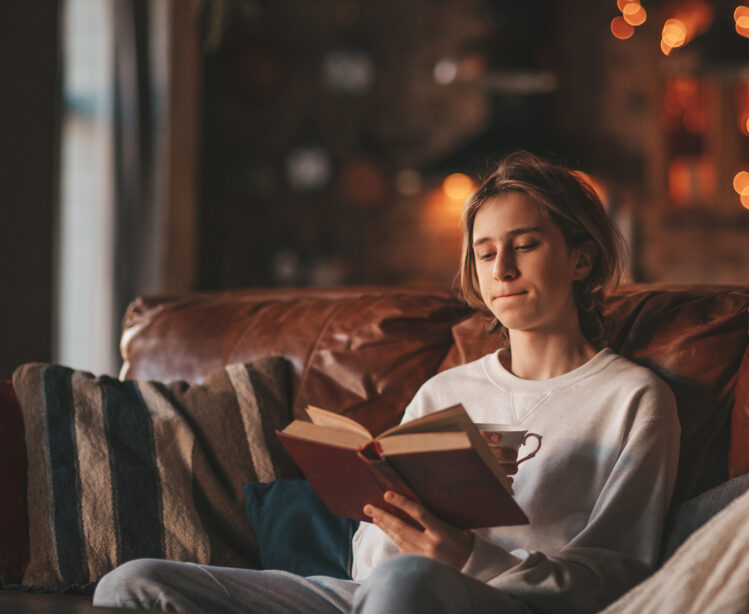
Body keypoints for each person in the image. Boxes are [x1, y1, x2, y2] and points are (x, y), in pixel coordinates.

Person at [93, 152, 681, 614]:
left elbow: (617, 580)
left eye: (524, 246)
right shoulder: (447, 392)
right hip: (374, 594)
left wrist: (467, 556)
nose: (502, 270)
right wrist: (395, 530)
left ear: (580, 260)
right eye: (485, 253)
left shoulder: (632, 400)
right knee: (134, 583)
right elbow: (372, 553)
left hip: (510, 602)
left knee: (410, 579)